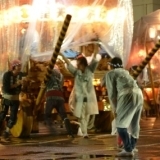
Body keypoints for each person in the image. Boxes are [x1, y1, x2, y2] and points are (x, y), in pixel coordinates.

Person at [101, 57, 143, 157]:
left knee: (120, 125)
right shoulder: (126, 72)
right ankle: (132, 146)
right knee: (134, 124)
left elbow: (112, 94)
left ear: (111, 65)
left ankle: (128, 149)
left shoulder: (110, 74)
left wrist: (114, 109)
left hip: (126, 95)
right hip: (139, 94)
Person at [60, 43, 100, 138]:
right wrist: (62, 55)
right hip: (79, 99)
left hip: (89, 98)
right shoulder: (76, 73)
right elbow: (69, 65)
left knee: (87, 115)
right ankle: (84, 133)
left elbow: (94, 60)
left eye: (78, 64)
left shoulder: (90, 70)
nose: (77, 66)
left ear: (83, 64)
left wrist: (95, 50)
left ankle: (83, 131)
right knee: (82, 116)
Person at [45, 65, 74, 138]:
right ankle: (70, 133)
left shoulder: (50, 73)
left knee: (47, 115)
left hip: (51, 96)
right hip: (60, 97)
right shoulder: (61, 75)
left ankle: (53, 131)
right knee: (64, 116)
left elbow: (46, 74)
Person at [0, 59, 24, 141]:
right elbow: (6, 88)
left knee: (13, 117)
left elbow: (25, 80)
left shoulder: (21, 75)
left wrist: (25, 81)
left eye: (20, 66)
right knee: (3, 114)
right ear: (14, 67)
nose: (20, 67)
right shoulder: (7, 75)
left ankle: (6, 132)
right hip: (7, 97)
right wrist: (17, 84)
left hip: (15, 98)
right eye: (18, 66)